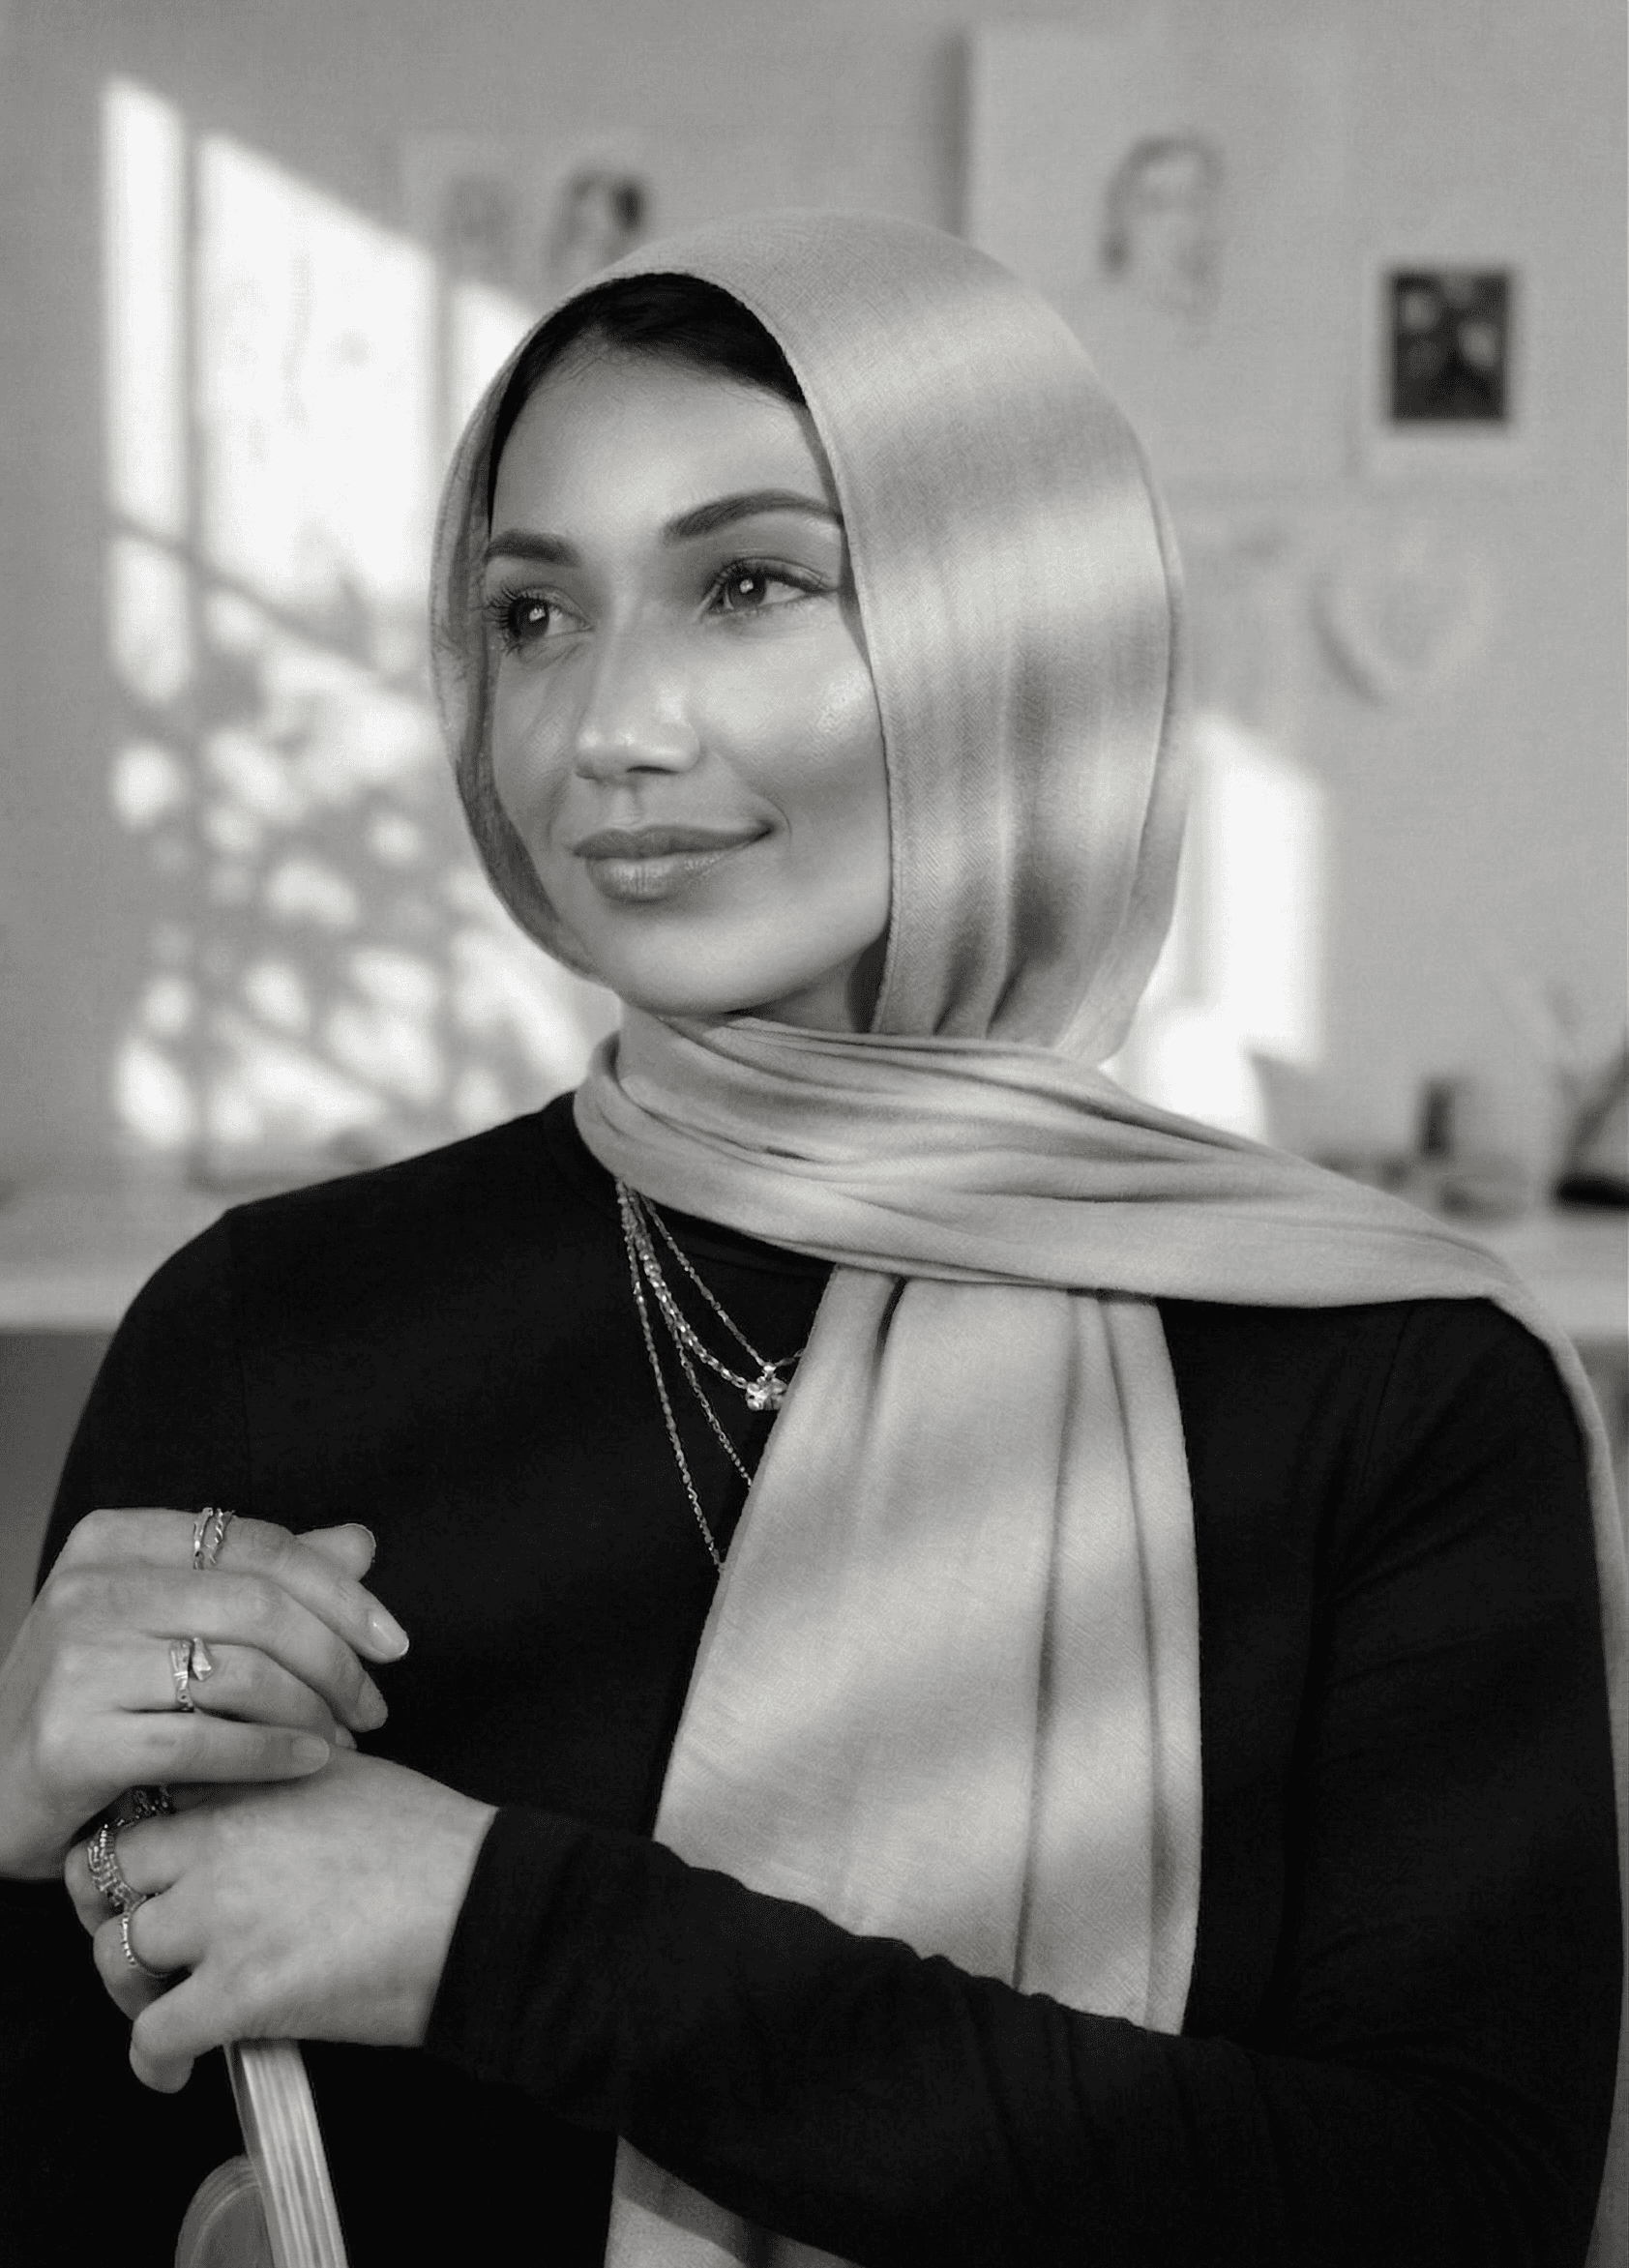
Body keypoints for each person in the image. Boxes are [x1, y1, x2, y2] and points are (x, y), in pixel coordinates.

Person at [0, 212, 1621, 2268]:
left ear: (1010, 632)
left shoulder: (1388, 1378)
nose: (609, 728)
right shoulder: (268, 1326)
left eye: (749, 583)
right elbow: (94, 2177)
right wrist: (18, 1832)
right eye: (531, 614)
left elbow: (1439, 2208)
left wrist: (493, 1928)